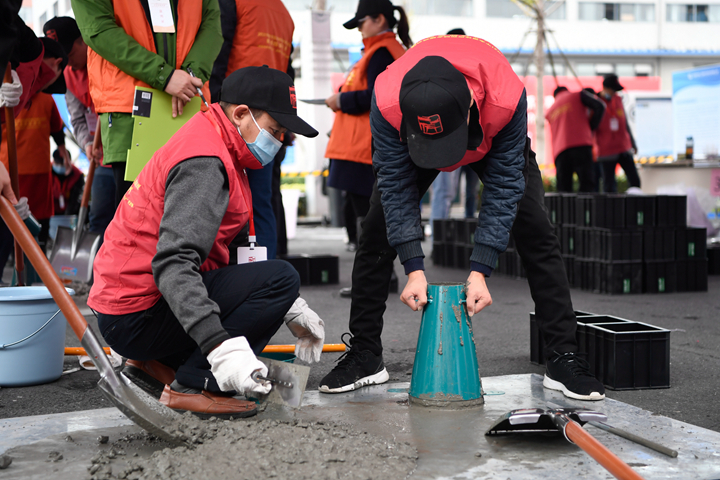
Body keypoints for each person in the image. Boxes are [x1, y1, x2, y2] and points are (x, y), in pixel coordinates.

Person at [319, 35, 605, 402]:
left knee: (535, 228)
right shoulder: (387, 98)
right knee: (375, 231)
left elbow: (503, 188)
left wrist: (480, 270)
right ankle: (365, 354)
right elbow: (395, 187)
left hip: (492, 138)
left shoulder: (506, 96)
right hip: (411, 141)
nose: (446, 163)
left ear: (470, 105)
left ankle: (563, 356)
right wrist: (414, 269)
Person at [87, 67, 323, 418]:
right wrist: (220, 348)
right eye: (275, 131)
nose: (280, 142)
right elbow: (173, 264)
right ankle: (197, 383)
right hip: (137, 311)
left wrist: (290, 306)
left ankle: (157, 362)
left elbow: (228, 257)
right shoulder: (206, 161)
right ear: (241, 114)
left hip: (131, 304)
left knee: (278, 285)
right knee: (281, 278)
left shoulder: (220, 144)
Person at [72, 0, 222, 209]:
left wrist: (187, 78)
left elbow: (212, 25)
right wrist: (166, 76)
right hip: (133, 111)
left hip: (186, 103)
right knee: (139, 217)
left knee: (189, 214)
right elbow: (98, 29)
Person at [209, 0, 295, 260]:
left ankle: (236, 274)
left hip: (237, 115)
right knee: (261, 200)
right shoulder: (283, 13)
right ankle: (267, 270)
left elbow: (218, 56)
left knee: (224, 199)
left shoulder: (233, 3)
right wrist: (286, 123)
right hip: (269, 120)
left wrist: (211, 110)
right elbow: (287, 71)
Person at [325, 0, 411, 252]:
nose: (359, 29)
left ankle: (373, 279)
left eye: (362, 23)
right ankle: (373, 277)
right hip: (362, 146)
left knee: (370, 218)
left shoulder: (382, 52)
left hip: (364, 147)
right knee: (369, 215)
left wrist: (342, 99)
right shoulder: (381, 51)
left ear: (379, 20)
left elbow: (376, 96)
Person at [43, 16, 116, 237]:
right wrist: (86, 144)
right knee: (98, 219)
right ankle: (97, 270)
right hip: (100, 159)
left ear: (82, 40)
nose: (67, 60)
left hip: (126, 153)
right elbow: (76, 119)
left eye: (70, 53)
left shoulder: (108, 61)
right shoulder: (67, 75)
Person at [0, 37, 70, 256]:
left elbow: (57, 129)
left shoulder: (47, 100)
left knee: (38, 218)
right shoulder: (11, 89)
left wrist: (62, 148)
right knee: (8, 223)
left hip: (39, 170)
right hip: (8, 169)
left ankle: (37, 257)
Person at [429, 29, 480, 232]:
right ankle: (441, 236)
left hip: (466, 139)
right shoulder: (444, 70)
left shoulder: (460, 68)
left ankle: (455, 234)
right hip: (454, 138)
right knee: (447, 191)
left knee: (457, 191)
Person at [545, 86, 605, 193]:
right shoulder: (577, 95)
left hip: (560, 151)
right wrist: (591, 126)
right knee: (587, 183)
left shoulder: (550, 110)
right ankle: (586, 209)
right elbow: (600, 106)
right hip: (581, 144)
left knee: (564, 189)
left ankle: (565, 210)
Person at [595, 74, 640, 193]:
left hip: (623, 147)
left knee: (635, 181)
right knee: (609, 186)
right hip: (606, 151)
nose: (614, 92)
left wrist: (633, 144)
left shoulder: (618, 100)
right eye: (612, 89)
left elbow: (625, 123)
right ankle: (610, 211)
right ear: (605, 87)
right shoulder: (596, 103)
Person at [51, 149, 84, 216]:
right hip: (51, 213)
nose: (60, 166)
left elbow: (75, 199)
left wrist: (66, 217)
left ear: (69, 162)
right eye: (57, 163)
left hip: (70, 213)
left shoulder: (77, 175)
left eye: (62, 164)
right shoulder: (47, 172)